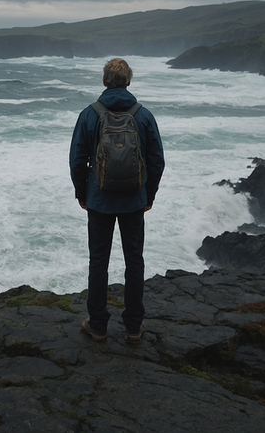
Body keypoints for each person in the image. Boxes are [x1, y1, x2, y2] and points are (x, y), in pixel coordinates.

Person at [69, 58, 164, 344]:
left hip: (99, 200)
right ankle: (134, 328)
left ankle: (98, 326)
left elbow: (77, 160)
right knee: (134, 261)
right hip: (135, 200)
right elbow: (157, 160)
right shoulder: (143, 115)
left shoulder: (90, 114)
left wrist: (81, 192)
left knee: (99, 261)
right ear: (129, 82)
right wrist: (150, 193)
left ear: (104, 81)